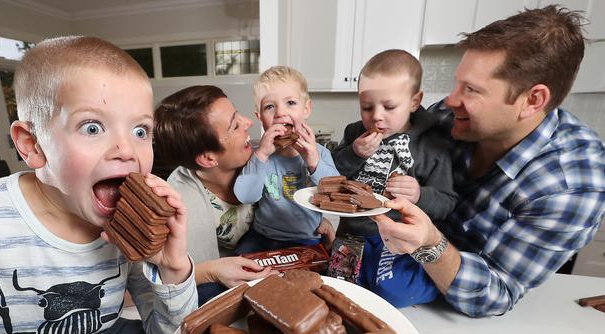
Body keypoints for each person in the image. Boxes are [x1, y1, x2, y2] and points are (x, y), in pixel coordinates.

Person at [0, 36, 197, 334]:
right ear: (32, 145)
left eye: (140, 131)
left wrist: (173, 268)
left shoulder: (127, 227)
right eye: (93, 127)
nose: (127, 151)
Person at [372, 6, 605, 317]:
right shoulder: (450, 117)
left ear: (532, 100)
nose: (450, 100)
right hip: (392, 276)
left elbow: (495, 293)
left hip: (460, 319)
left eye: (471, 90)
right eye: (458, 83)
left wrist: (429, 244)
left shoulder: (572, 185)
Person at [331, 49, 457, 307]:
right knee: (338, 290)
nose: (376, 116)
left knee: (393, 294)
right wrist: (354, 153)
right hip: (352, 232)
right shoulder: (355, 132)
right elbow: (331, 175)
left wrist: (419, 194)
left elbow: (447, 201)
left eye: (389, 106)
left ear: (414, 101)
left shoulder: (432, 143)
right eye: (366, 107)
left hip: (397, 240)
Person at [155, 85, 275, 305]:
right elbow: (156, 285)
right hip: (220, 290)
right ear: (208, 158)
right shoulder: (175, 204)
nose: (248, 122)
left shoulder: (260, 161)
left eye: (238, 113)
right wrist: (212, 271)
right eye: (235, 125)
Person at [234, 66, 340, 253]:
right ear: (260, 117)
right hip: (263, 235)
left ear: (306, 109)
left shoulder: (320, 153)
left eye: (290, 102)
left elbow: (336, 194)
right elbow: (245, 196)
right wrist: (262, 155)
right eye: (269, 106)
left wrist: (313, 162)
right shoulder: (259, 155)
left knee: (314, 276)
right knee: (241, 266)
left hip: (307, 237)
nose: (280, 112)